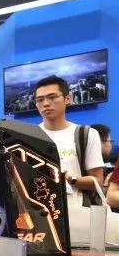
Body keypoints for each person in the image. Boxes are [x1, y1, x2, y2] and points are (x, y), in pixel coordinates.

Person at [34, 75, 104, 207]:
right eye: (40, 100)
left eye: (52, 97)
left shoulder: (86, 134)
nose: (46, 103)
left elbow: (98, 181)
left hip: (78, 210)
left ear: (67, 99)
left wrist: (72, 179)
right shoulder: (30, 135)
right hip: (40, 209)